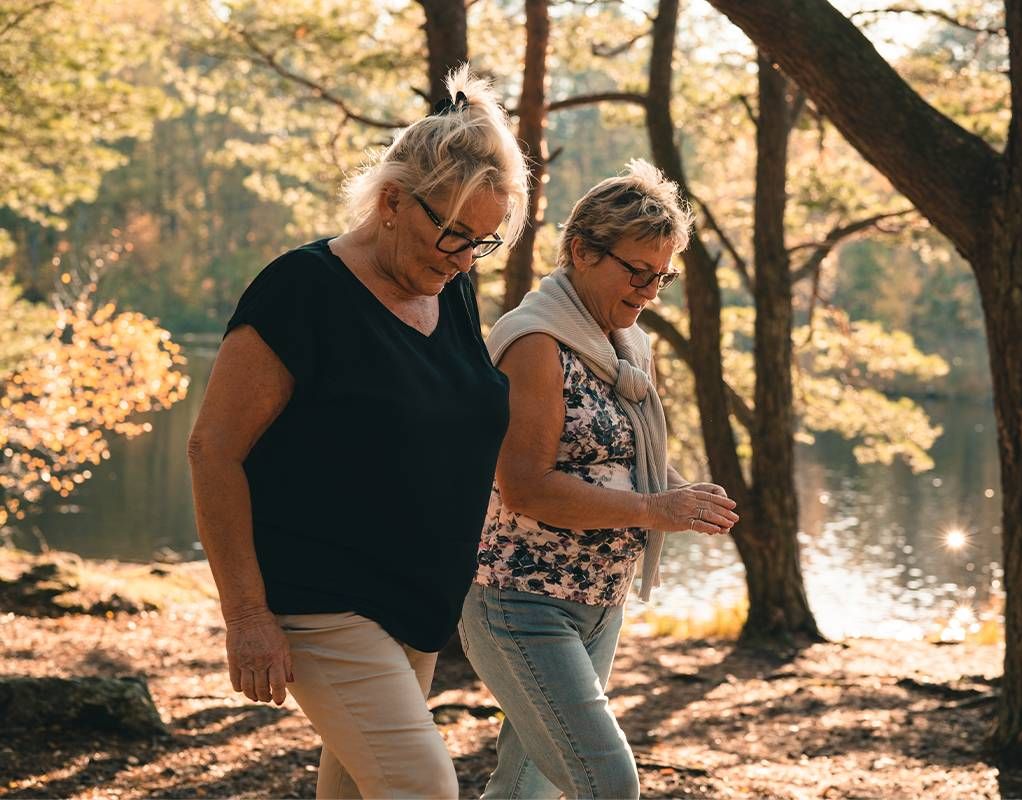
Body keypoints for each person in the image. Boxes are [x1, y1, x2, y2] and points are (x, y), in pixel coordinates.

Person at [186, 64, 528, 799]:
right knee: (423, 787)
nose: (464, 258)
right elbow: (213, 451)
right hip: (321, 601)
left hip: (414, 608)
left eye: (482, 243)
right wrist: (246, 616)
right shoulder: (301, 291)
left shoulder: (453, 293)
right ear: (394, 201)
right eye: (453, 235)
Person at [458, 159, 741, 799]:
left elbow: (626, 458)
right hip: (520, 599)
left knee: (523, 790)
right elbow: (526, 487)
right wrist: (653, 510)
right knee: (607, 782)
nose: (647, 290)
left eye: (661, 276)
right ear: (582, 251)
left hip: (597, 600)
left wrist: (683, 497)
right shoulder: (535, 342)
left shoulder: (627, 342)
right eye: (635, 271)